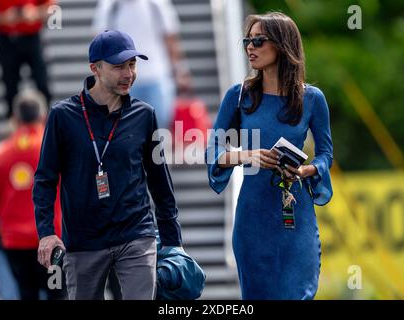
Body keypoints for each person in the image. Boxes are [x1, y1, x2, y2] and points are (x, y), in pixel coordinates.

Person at [33, 30, 183, 300]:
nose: (128, 74)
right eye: (119, 66)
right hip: (83, 242)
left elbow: (160, 181)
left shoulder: (145, 115)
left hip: (136, 234)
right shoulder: (62, 116)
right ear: (95, 69)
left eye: (132, 65)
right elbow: (45, 179)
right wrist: (46, 233)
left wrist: (173, 242)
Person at [205, 12, 333, 300]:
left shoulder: (312, 98)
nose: (250, 47)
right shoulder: (238, 96)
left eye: (259, 40)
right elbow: (212, 151)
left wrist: (305, 171)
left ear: (282, 44)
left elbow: (325, 154)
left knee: (299, 293)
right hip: (253, 219)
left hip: (295, 218)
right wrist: (245, 155)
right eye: (247, 40)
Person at [0, 90, 65, 300]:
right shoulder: (54, 150)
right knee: (56, 293)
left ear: (16, 118)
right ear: (43, 116)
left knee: (26, 294)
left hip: (15, 243)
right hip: (51, 240)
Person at [92, 0, 191, 130]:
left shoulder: (157, 4)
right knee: (125, 129)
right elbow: (100, 44)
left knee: (159, 128)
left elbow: (170, 39)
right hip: (122, 80)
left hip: (157, 75)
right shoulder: (109, 6)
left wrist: (180, 70)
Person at [0, 0, 53, 118]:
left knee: (42, 82)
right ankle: (13, 123)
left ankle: (46, 122)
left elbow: (51, 7)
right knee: (10, 85)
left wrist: (34, 13)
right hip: (7, 39)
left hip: (32, 37)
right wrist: (4, 17)